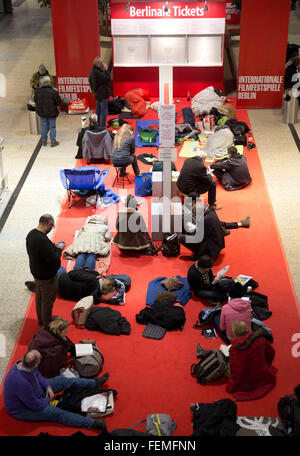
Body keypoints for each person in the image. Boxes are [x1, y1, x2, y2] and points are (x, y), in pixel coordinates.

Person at [3, 350, 109, 430]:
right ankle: (91, 424)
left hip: (35, 392)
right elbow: (35, 405)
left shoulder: (23, 362)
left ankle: (94, 382)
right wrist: (48, 399)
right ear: (35, 364)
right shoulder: (21, 383)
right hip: (23, 409)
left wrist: (48, 387)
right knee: (57, 413)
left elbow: (37, 375)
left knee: (61, 380)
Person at [180, 196, 250, 260]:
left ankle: (198, 255)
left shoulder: (203, 221)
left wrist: (191, 230)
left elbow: (198, 239)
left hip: (210, 251)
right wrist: (238, 224)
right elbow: (221, 223)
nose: (195, 217)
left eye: (195, 216)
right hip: (217, 246)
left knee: (181, 238)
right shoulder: (212, 213)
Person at [25, 214, 64, 326]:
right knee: (47, 301)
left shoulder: (32, 234)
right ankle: (47, 324)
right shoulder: (42, 240)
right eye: (52, 227)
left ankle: (41, 319)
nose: (51, 229)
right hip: (47, 277)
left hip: (36, 272)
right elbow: (54, 259)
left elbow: (42, 251)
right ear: (49, 224)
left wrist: (53, 247)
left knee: (39, 297)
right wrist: (59, 249)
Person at [226, 321, 276, 401]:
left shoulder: (235, 350)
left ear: (234, 334)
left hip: (249, 383)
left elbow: (236, 373)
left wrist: (230, 387)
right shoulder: (260, 339)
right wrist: (267, 365)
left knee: (226, 367)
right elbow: (271, 353)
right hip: (264, 375)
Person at [34, 75, 61, 147]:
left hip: (42, 112)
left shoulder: (37, 91)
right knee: (52, 127)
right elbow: (58, 101)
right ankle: (53, 141)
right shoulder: (53, 91)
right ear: (49, 82)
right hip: (52, 113)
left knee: (44, 126)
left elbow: (35, 100)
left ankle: (44, 141)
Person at [89, 56, 111, 128]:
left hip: (97, 94)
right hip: (103, 95)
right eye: (101, 63)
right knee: (103, 112)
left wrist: (94, 92)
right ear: (97, 63)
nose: (103, 64)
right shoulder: (97, 72)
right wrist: (106, 70)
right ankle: (102, 127)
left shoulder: (92, 71)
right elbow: (107, 79)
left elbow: (90, 82)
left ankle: (97, 125)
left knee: (98, 111)